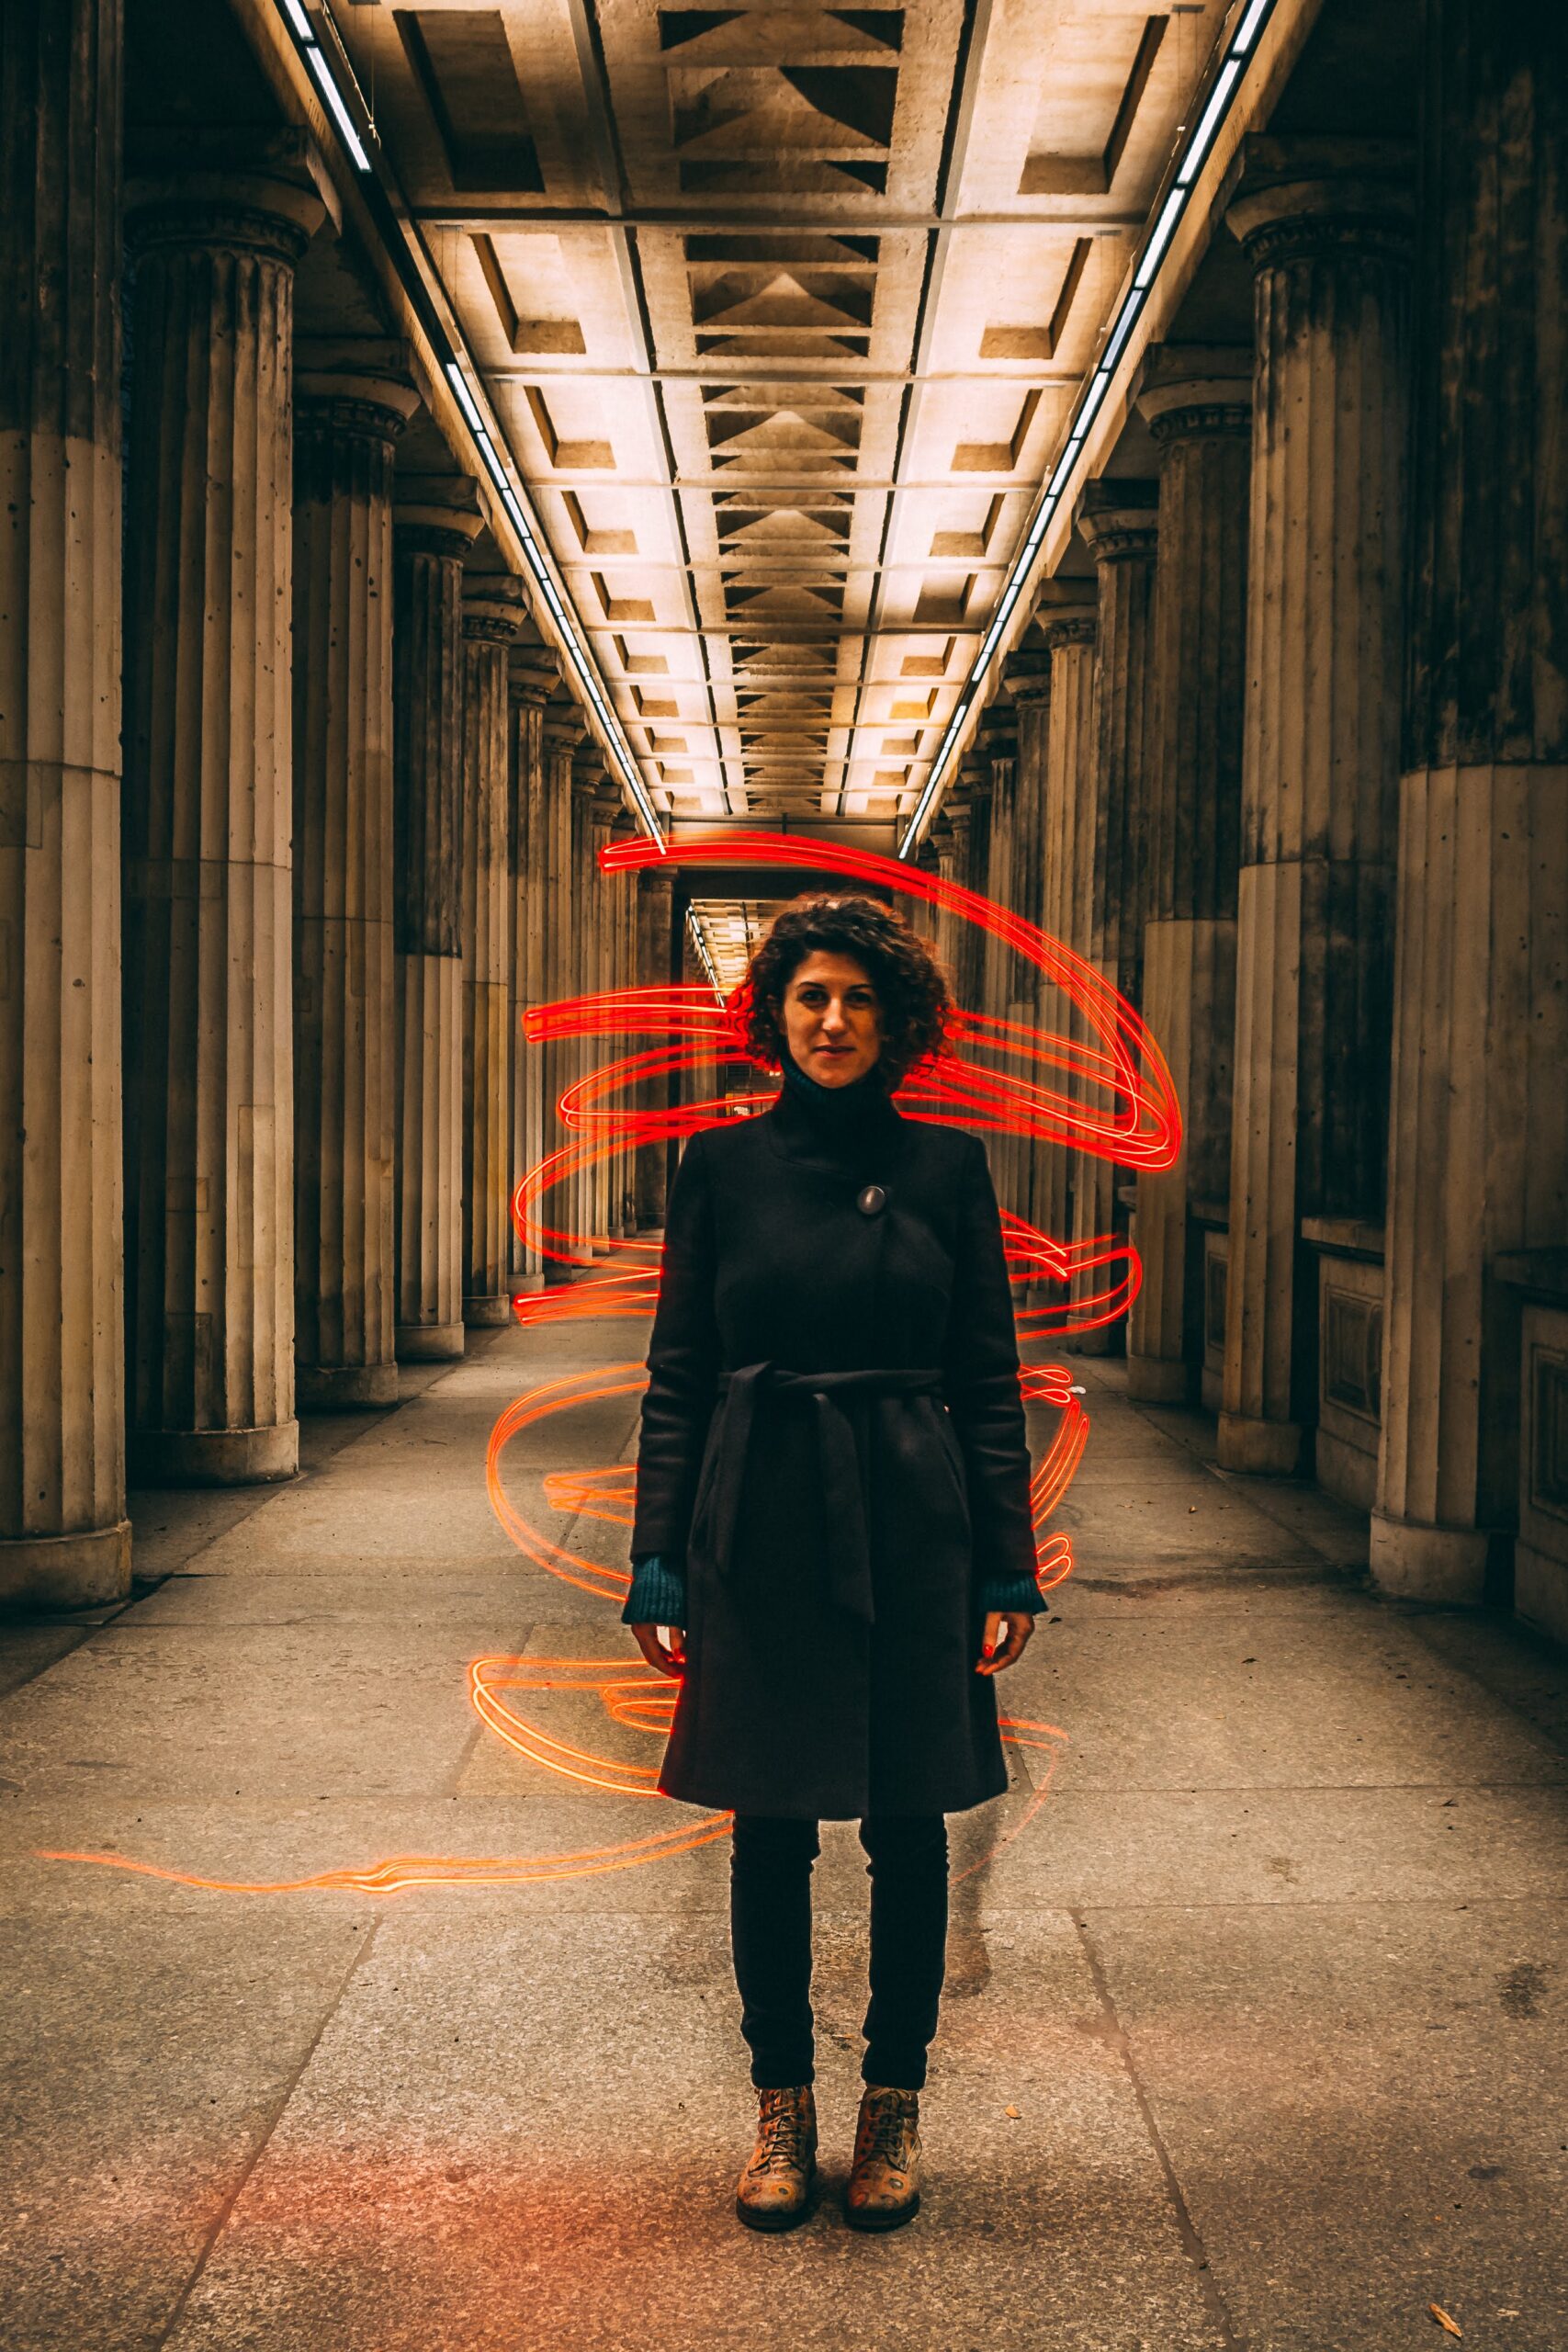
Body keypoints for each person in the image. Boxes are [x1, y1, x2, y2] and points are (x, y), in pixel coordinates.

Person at [623, 892, 1040, 2234]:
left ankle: (893, 2108)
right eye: (810, 995)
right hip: (762, 1516)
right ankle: (781, 2107)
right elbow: (679, 1378)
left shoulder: (948, 1169)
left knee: (912, 1829)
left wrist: (1003, 1564)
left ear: (898, 1016)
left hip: (913, 1522)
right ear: (774, 1016)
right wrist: (659, 1561)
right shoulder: (721, 1173)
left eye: (859, 996)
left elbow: (987, 1380)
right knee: (770, 1827)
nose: (834, 1019)